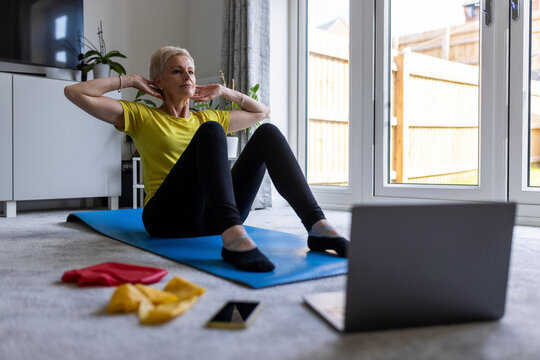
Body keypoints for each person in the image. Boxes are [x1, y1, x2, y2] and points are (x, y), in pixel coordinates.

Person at [64, 46, 348, 272]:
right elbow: (74, 92)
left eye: (191, 71)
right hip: (168, 220)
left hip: (213, 218)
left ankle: (317, 226)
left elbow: (262, 112)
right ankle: (233, 236)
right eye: (177, 71)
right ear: (159, 81)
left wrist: (224, 91)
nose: (187, 76)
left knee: (267, 134)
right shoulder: (142, 116)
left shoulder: (207, 116)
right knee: (211, 130)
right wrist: (131, 80)